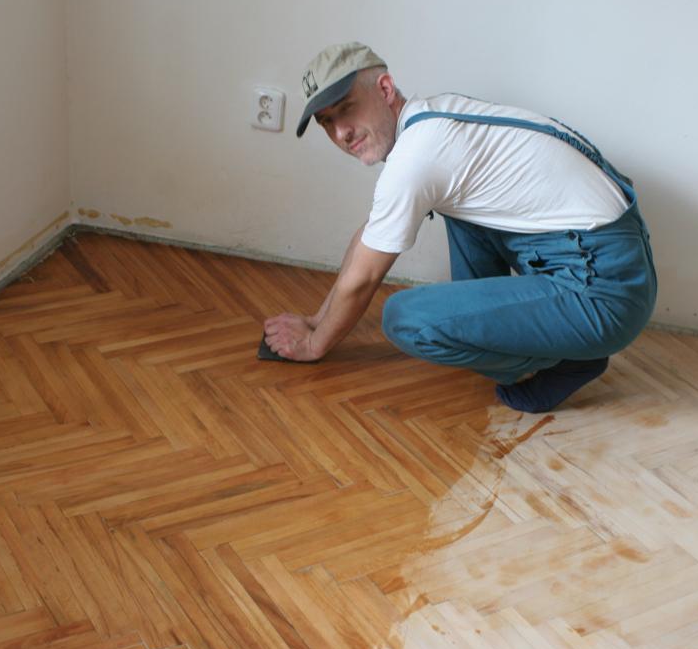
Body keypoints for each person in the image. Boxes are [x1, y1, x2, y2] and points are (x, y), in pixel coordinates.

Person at [263, 42, 657, 413]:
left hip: (605, 290)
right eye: (326, 122)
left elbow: (364, 278)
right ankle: (568, 339)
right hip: (593, 255)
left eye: (346, 109)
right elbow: (372, 234)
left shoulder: (418, 156)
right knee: (454, 210)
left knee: (404, 318)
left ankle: (568, 356)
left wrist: (314, 344)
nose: (340, 133)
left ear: (384, 88)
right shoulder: (430, 119)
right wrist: (316, 318)